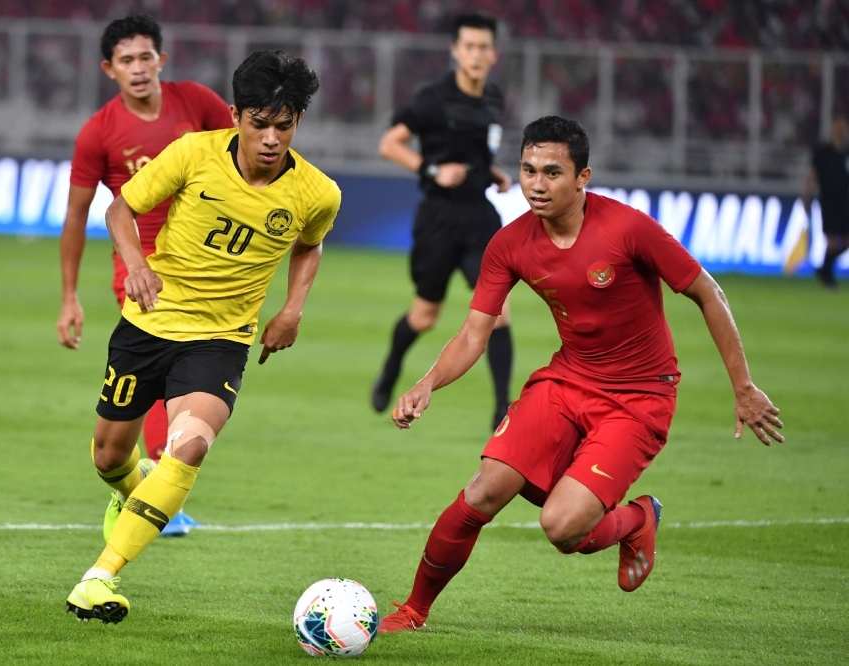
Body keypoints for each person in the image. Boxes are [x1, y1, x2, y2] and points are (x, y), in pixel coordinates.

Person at [378, 116, 784, 633]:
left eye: (552, 172)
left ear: (583, 177)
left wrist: (743, 387)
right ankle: (413, 611)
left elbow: (709, 292)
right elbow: (472, 336)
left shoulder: (628, 228)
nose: (536, 184)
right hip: (567, 383)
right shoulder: (509, 245)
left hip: (638, 399)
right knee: (483, 490)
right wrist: (425, 382)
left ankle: (636, 518)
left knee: (562, 527)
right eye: (528, 170)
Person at [65, 50, 340, 624]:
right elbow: (121, 209)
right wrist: (137, 263)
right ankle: (130, 488)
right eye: (258, 123)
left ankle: (99, 577)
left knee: (188, 446)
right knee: (109, 456)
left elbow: (309, 245)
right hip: (148, 326)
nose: (270, 138)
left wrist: (292, 309)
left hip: (220, 341)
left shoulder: (318, 193)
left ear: (298, 122)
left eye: (283, 125)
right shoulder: (194, 153)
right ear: (237, 115)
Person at [57, 15, 233, 536]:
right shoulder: (99, 132)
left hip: (203, 262)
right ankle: (159, 487)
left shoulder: (197, 103)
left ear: (162, 59)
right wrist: (69, 296)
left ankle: (150, 484)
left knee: (187, 373)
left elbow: (239, 154)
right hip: (141, 268)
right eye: (126, 61)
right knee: (163, 372)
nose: (138, 69)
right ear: (108, 69)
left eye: (145, 57)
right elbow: (76, 216)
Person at [371, 12, 514, 430]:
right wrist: (432, 170)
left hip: (480, 217)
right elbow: (389, 143)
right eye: (468, 46)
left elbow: (479, 153)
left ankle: (503, 407)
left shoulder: (494, 99)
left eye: (483, 47)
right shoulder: (433, 97)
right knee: (425, 316)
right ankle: (391, 366)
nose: (475, 54)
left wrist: (494, 173)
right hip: (437, 218)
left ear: (494, 54)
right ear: (455, 51)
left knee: (498, 312)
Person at [802, 114, 849, 289]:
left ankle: (824, 269)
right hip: (828, 200)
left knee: (845, 241)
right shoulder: (823, 151)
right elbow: (812, 174)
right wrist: (806, 195)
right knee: (830, 239)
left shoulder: (846, 152)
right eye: (838, 126)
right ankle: (828, 277)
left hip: (845, 202)